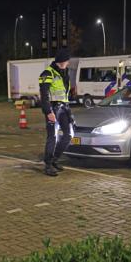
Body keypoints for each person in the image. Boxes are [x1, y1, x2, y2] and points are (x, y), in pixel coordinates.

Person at [39, 49, 73, 177]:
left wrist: (69, 111)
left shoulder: (65, 73)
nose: (68, 63)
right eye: (67, 60)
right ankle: (48, 165)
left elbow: (64, 94)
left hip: (64, 108)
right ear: (62, 61)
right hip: (53, 108)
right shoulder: (47, 73)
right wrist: (48, 112)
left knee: (68, 135)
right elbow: (44, 95)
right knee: (52, 136)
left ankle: (54, 160)